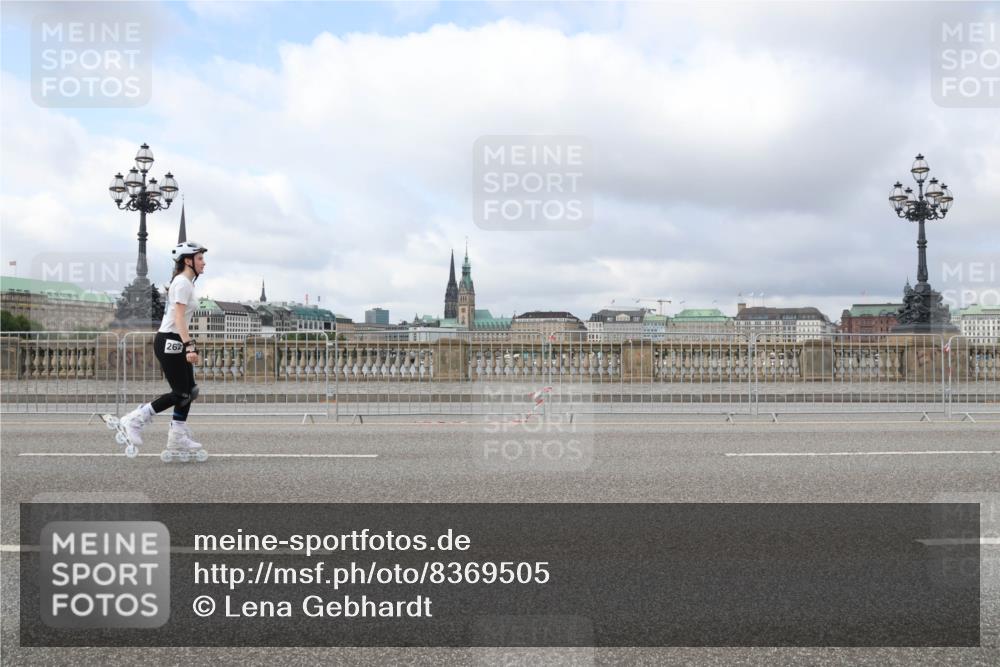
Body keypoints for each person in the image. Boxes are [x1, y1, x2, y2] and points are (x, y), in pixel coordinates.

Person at [119, 241, 208, 453]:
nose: (204, 262)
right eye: (200, 258)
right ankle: (135, 419)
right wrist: (189, 346)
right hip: (170, 340)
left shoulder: (185, 282)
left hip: (174, 339)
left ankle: (177, 436)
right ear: (188, 260)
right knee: (180, 393)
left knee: (189, 392)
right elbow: (178, 318)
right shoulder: (183, 283)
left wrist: (186, 343)